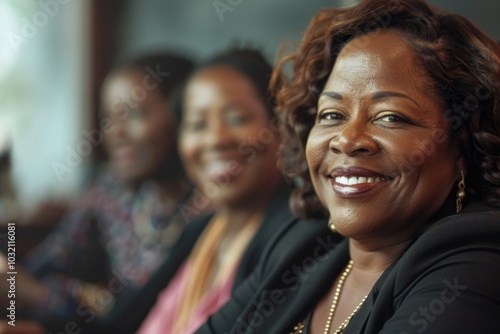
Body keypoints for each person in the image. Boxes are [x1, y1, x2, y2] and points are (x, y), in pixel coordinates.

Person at [196, 1, 500, 333]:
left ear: (463, 146)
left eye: (390, 117)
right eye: (332, 115)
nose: (347, 139)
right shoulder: (301, 242)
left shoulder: (477, 260)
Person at [52, 48, 293, 334]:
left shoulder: (293, 237)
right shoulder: (200, 232)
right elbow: (118, 324)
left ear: (282, 126)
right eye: (197, 124)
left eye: (237, 119)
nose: (215, 139)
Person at [0, 53, 208, 322]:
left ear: (183, 115)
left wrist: (36, 293)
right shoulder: (113, 190)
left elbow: (133, 314)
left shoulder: (215, 208)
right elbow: (51, 260)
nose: (115, 133)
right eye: (109, 118)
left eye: (135, 114)